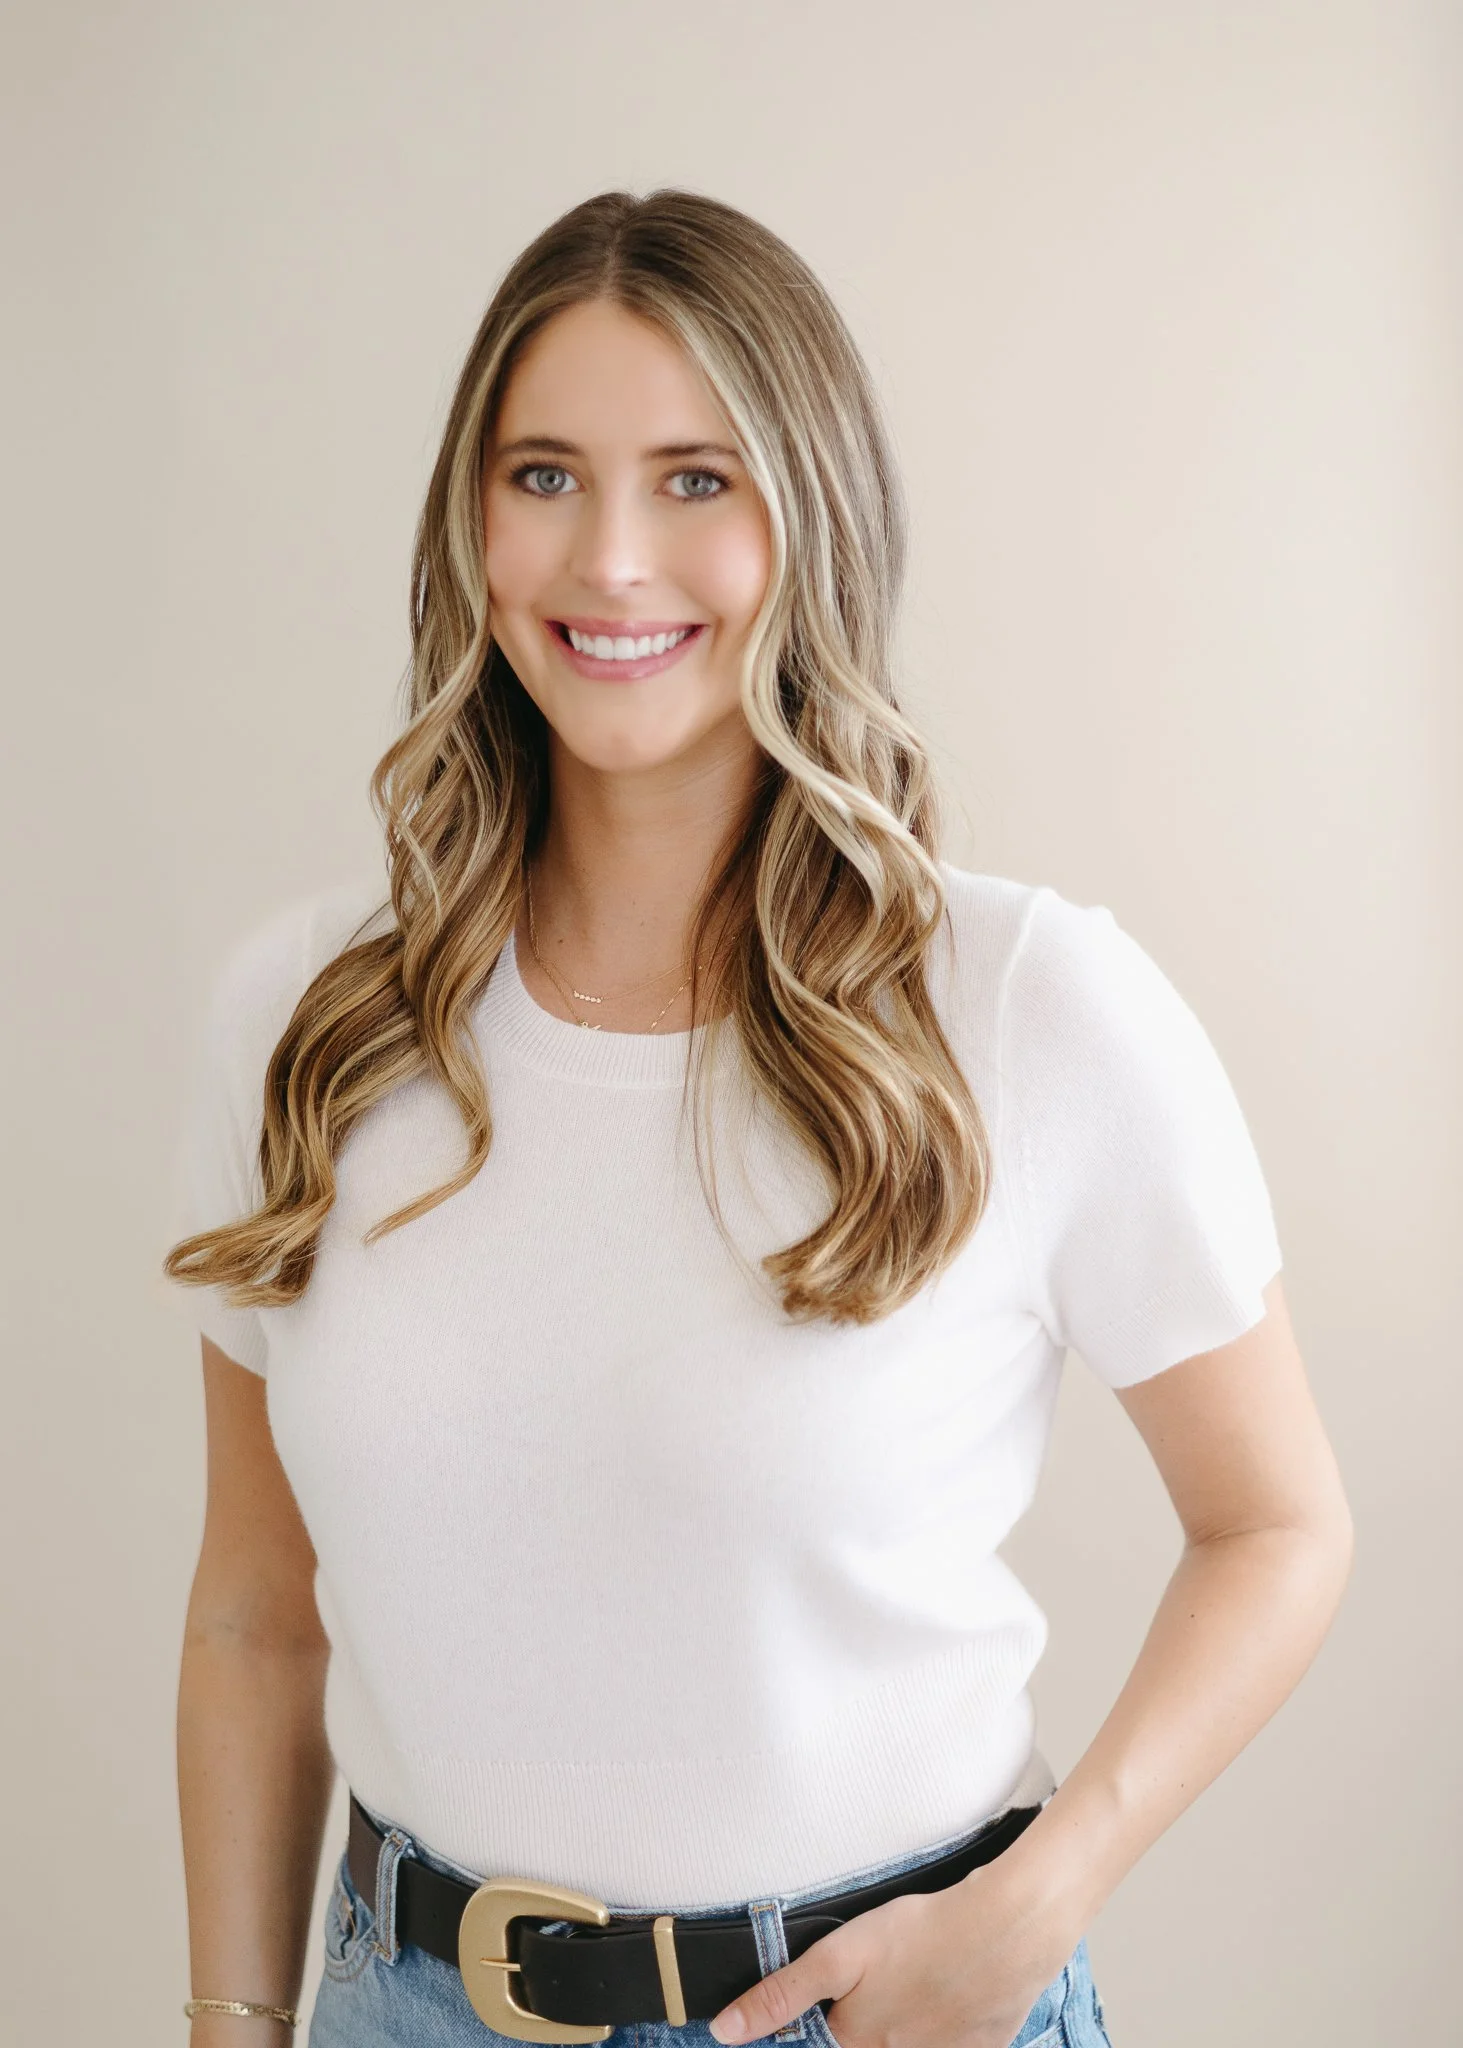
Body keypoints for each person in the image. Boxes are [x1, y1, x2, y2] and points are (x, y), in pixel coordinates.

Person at [163, 188, 1353, 2048]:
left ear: (813, 515)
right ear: (467, 524)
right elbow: (255, 1614)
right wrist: (230, 2024)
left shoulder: (1025, 1007)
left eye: (699, 480)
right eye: (543, 474)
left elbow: (1277, 1526)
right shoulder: (307, 1022)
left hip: (880, 2011)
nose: (611, 558)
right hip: (405, 2004)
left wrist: (1036, 1903)